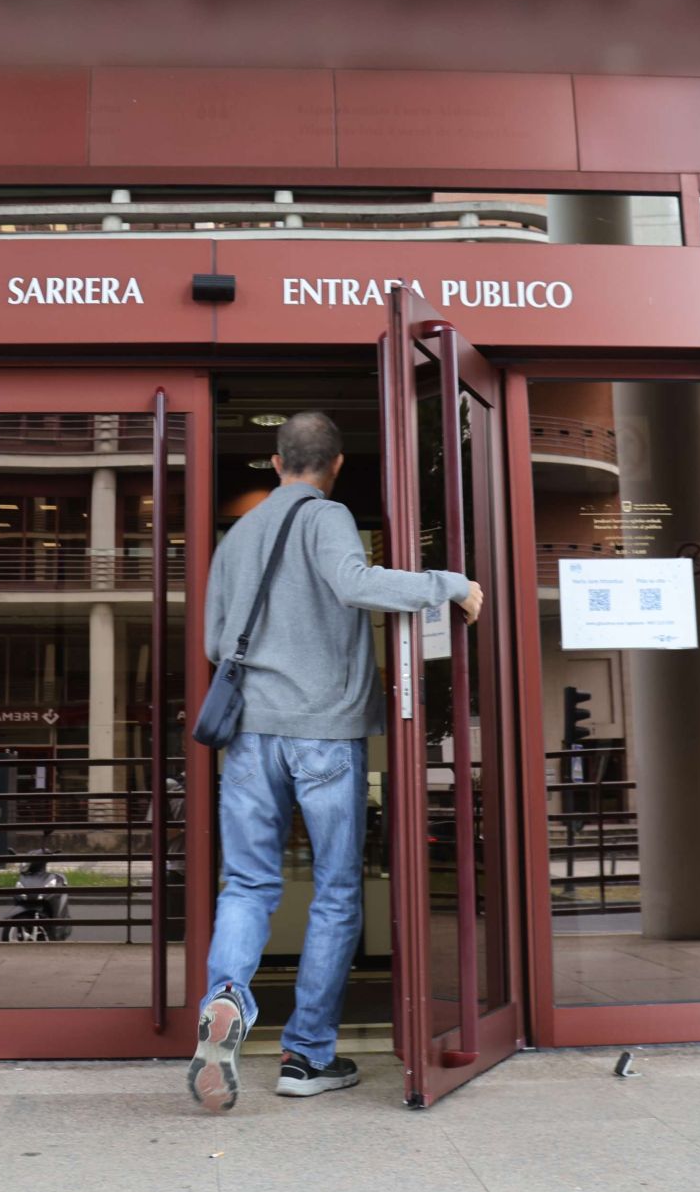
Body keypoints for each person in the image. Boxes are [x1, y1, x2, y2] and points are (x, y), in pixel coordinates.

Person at [187, 411, 482, 1111]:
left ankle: (225, 998)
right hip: (323, 733)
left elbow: (211, 644)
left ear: (275, 460)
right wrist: (445, 582)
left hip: (250, 737)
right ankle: (306, 1056)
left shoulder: (238, 537)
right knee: (338, 891)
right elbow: (354, 583)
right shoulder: (329, 516)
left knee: (247, 886)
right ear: (337, 464)